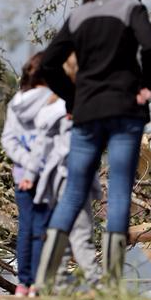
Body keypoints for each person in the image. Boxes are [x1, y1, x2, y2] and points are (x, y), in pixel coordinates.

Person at [34, 0, 151, 290]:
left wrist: (72, 98)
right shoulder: (131, 9)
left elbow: (48, 64)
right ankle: (113, 282)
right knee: (118, 192)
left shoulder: (79, 15)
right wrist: (147, 86)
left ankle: (46, 276)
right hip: (124, 112)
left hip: (87, 113)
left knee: (73, 192)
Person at [25, 54, 102, 287]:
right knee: (79, 232)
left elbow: (40, 145)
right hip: (72, 177)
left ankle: (54, 279)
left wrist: (31, 174)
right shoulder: (70, 107)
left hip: (65, 178)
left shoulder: (55, 107)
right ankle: (97, 282)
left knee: (67, 229)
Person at [1, 52, 55, 296]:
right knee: (42, 229)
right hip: (47, 174)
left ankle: (23, 283)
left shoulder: (16, 102)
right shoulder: (53, 100)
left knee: (25, 228)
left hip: (21, 175)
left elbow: (8, 139)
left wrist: (24, 162)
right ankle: (37, 283)